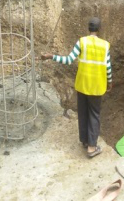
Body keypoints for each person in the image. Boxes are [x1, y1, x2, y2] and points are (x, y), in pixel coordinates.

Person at [41, 17, 112, 158]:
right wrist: (110, 82)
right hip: (97, 87)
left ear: (88, 28)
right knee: (94, 115)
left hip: (82, 85)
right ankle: (92, 148)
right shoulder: (105, 45)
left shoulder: (82, 42)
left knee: (83, 113)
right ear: (99, 29)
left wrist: (51, 56)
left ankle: (85, 141)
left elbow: (68, 60)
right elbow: (108, 67)